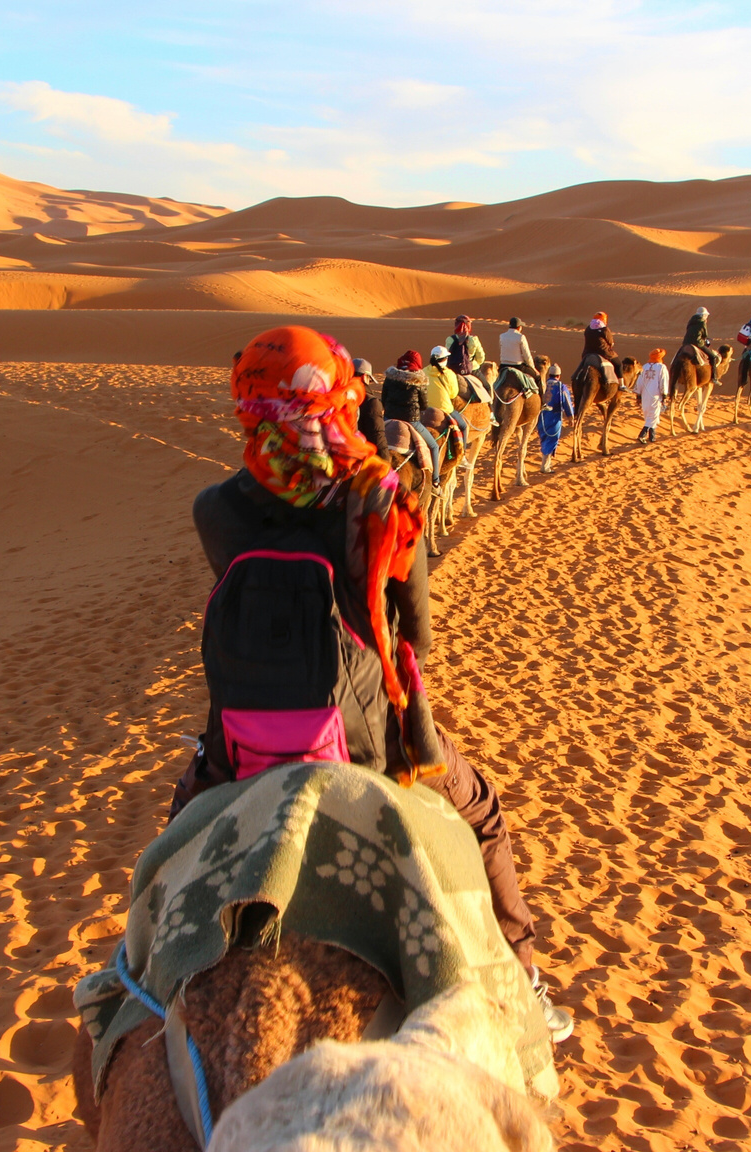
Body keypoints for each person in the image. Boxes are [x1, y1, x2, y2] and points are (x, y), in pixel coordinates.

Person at [182, 326, 570, 1041]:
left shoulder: (216, 509)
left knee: (175, 845)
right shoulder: (378, 495)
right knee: (482, 816)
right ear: (339, 393)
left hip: (241, 743)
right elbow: (415, 637)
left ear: (248, 399)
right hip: (370, 737)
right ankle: (525, 989)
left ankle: (139, 984)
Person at [383, 350, 440, 476]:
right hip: (412, 420)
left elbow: (384, 399)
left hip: (388, 417)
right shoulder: (419, 381)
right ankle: (436, 481)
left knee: (370, 440)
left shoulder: (390, 377)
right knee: (434, 446)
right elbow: (424, 405)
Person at [425, 345, 469, 441]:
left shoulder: (424, 371)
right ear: (445, 359)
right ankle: (462, 454)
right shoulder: (449, 374)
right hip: (444, 409)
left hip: (425, 409)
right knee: (464, 427)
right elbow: (453, 394)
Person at [352, 357, 390, 462]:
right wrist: (386, 462)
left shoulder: (337, 395)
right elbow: (377, 435)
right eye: (369, 379)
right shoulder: (371, 402)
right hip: (361, 459)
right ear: (364, 377)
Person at [537, 362, 573, 472]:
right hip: (554, 416)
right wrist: (570, 416)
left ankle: (546, 464)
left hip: (541, 417)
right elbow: (566, 401)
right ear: (559, 375)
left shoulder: (542, 384)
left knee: (544, 438)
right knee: (551, 439)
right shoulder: (561, 386)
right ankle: (545, 466)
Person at [633, 349, 669, 443]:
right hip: (655, 394)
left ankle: (652, 437)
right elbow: (663, 381)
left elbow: (639, 382)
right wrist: (664, 395)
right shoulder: (661, 367)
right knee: (653, 415)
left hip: (645, 395)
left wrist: (639, 395)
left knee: (650, 415)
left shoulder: (644, 366)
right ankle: (642, 434)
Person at [498, 317, 540, 390]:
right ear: (519, 327)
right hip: (518, 366)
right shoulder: (521, 337)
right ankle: (542, 400)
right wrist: (533, 368)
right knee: (538, 377)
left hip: (503, 366)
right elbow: (527, 356)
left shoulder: (502, 336)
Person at [582, 312, 618, 389]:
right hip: (603, 352)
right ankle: (621, 385)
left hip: (587, 352)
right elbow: (611, 342)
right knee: (618, 364)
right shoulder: (604, 329)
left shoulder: (588, 328)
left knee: (582, 366)